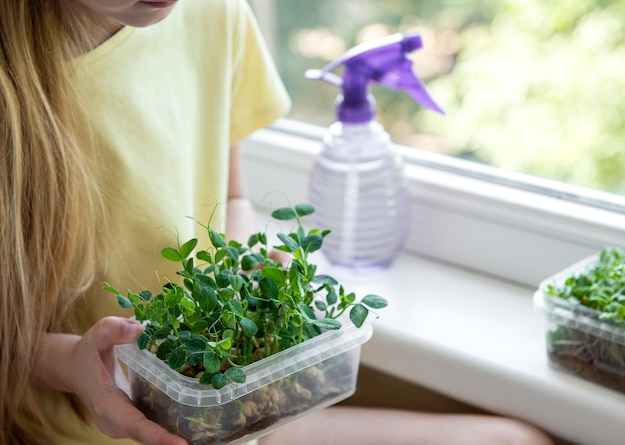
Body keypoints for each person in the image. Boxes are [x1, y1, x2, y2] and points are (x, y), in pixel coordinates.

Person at [0, 1, 554, 444]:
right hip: (79, 430)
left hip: (233, 412)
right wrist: (72, 364)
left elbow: (233, 196)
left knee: (513, 438)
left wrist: (244, 269)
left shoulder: (216, 13)